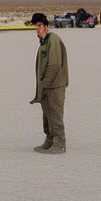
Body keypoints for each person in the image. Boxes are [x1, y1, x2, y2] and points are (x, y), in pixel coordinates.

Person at [29, 13, 68, 154]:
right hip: (46, 85)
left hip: (55, 85)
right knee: (47, 114)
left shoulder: (53, 40)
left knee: (55, 113)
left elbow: (55, 65)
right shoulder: (44, 42)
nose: (37, 28)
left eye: (40, 25)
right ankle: (50, 139)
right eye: (35, 25)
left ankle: (59, 143)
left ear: (46, 26)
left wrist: (45, 83)